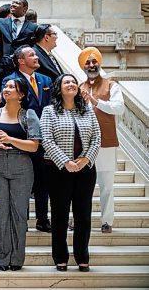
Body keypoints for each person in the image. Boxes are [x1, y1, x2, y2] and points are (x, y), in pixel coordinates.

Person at [40, 74, 101, 272]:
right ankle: (60, 257)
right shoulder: (49, 112)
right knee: (60, 215)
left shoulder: (87, 111)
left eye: (74, 82)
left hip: (85, 170)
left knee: (83, 215)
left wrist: (85, 160)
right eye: (67, 82)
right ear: (59, 88)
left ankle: (82, 256)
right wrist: (65, 162)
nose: (71, 84)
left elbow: (97, 138)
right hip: (58, 171)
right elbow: (47, 140)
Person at [0, 78, 41, 271]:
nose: (6, 89)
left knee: (19, 214)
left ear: (21, 94)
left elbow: (34, 146)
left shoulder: (29, 115)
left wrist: (10, 139)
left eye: (11, 87)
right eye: (5, 86)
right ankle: (2, 259)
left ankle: (17, 259)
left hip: (22, 165)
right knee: (0, 213)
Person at [2, 45, 53, 232]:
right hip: (21, 138)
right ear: (20, 60)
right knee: (22, 182)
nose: (36, 57)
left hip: (44, 139)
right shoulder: (10, 81)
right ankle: (21, 219)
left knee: (43, 181)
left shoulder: (45, 80)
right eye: (31, 54)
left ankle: (42, 219)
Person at [79, 47, 124, 234]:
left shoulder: (112, 85)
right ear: (83, 67)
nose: (91, 65)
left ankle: (106, 221)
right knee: (80, 185)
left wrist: (96, 102)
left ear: (99, 63)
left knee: (106, 184)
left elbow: (119, 108)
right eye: (87, 63)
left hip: (105, 143)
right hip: (82, 144)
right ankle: (80, 219)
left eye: (94, 61)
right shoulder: (78, 87)